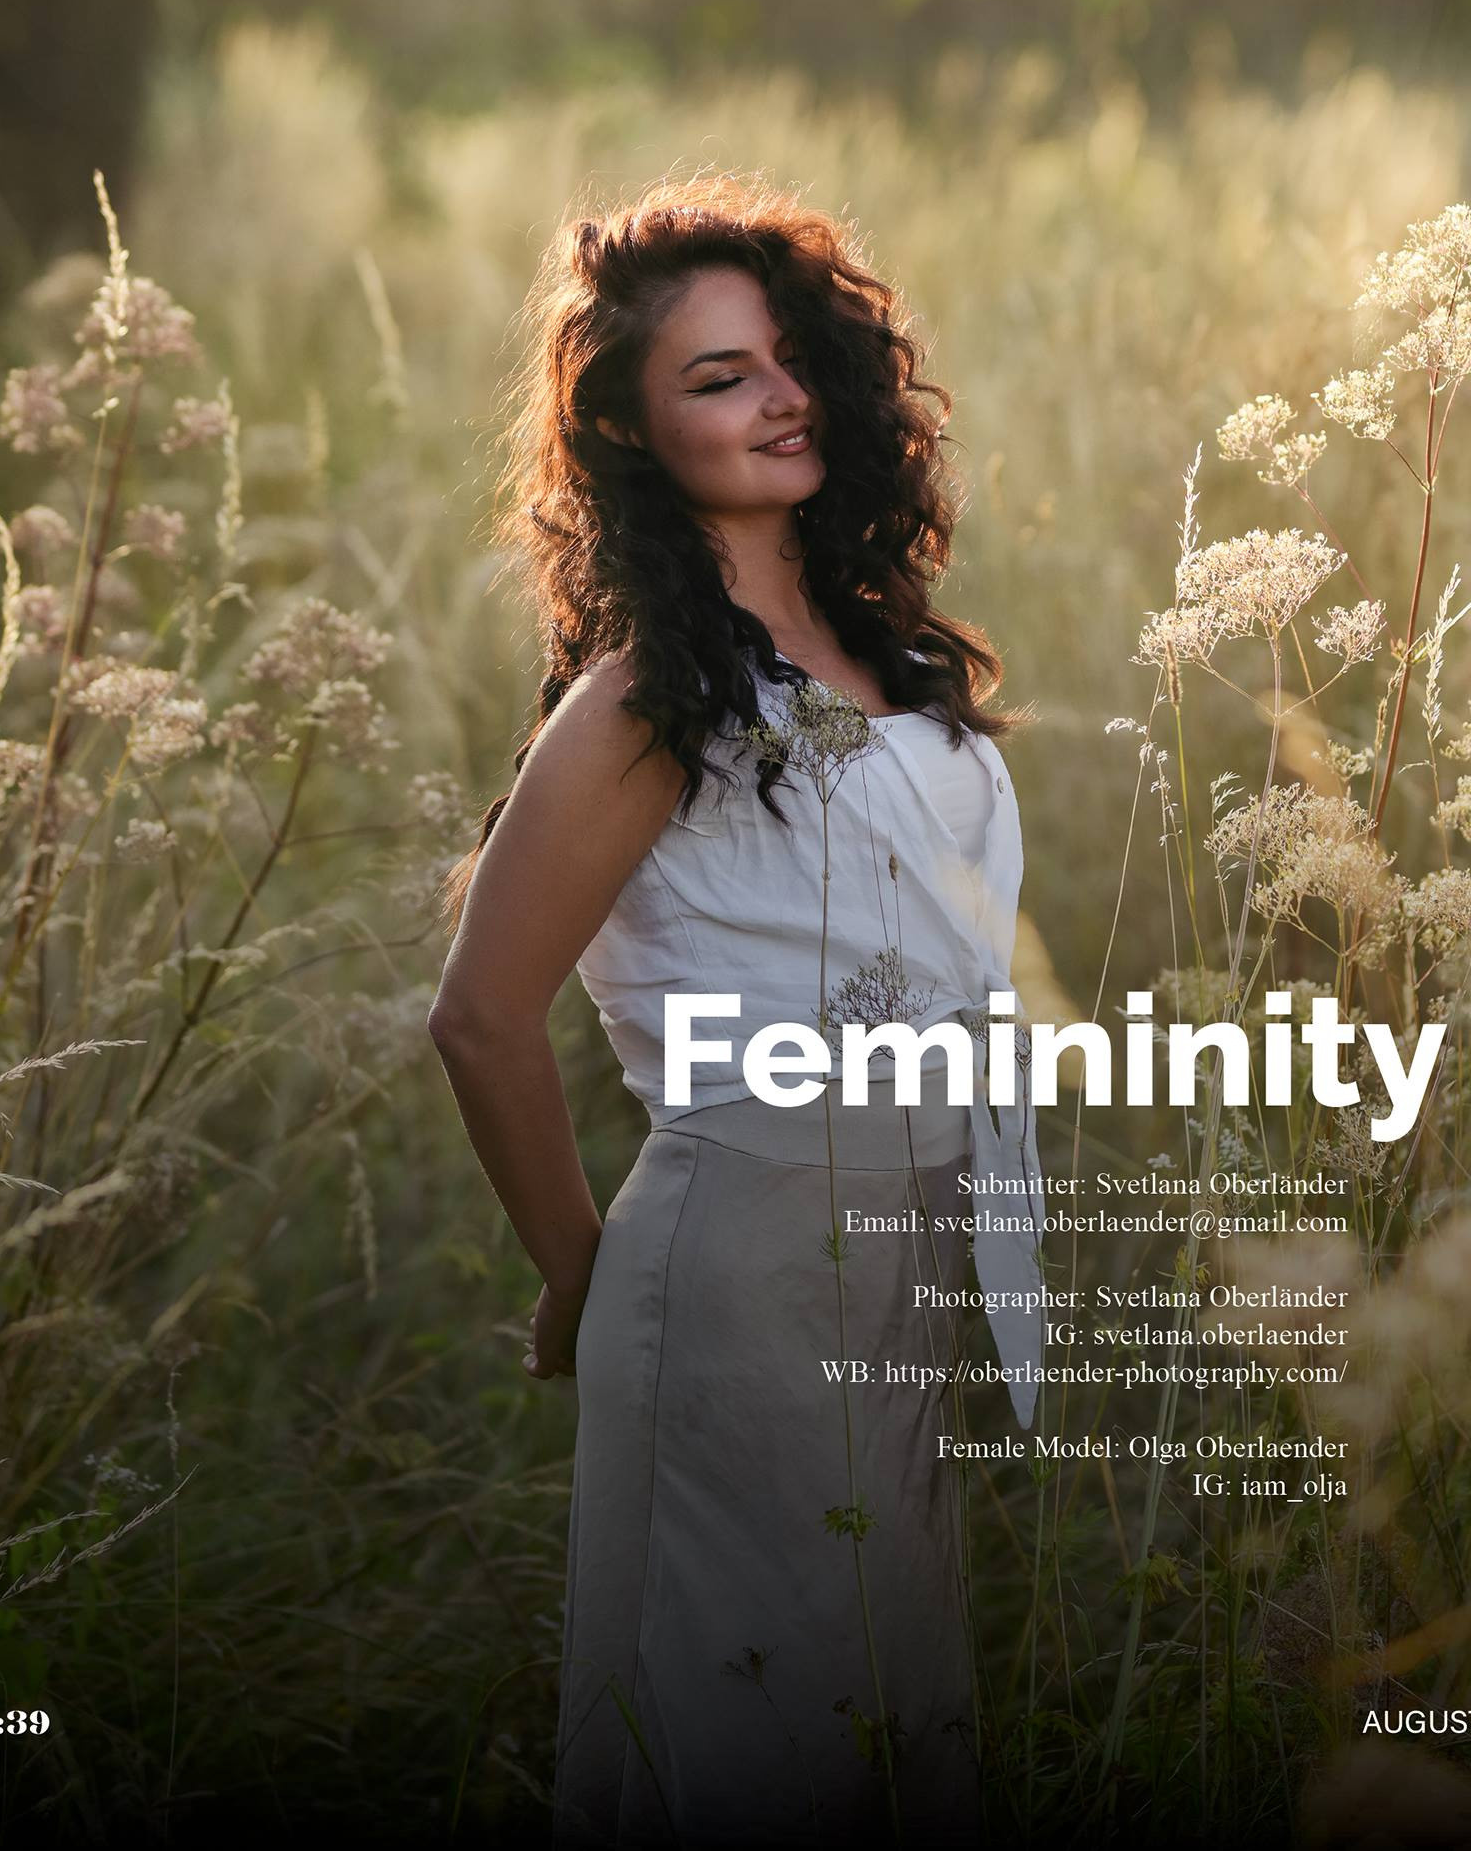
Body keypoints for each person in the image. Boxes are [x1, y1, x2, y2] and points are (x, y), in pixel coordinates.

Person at [425, 176, 1046, 1849]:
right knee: (749, 1737)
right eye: (716, 377)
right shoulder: (648, 693)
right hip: (738, 1263)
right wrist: (583, 1271)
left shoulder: (878, 651)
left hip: (909, 1248)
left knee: (889, 1730)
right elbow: (480, 1016)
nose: (776, 398)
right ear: (627, 432)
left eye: (787, 361)